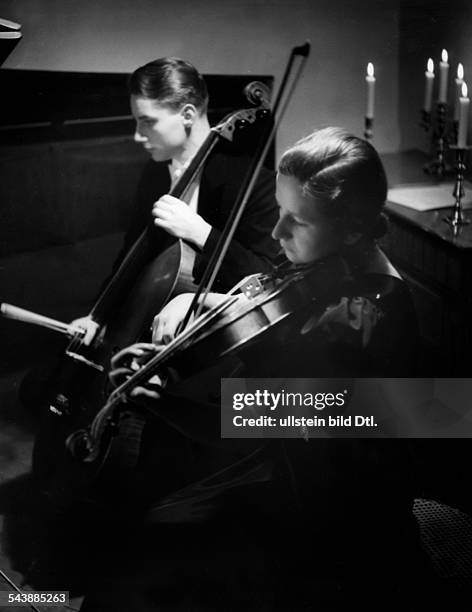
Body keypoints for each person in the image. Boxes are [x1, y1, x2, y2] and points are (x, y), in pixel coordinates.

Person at [75, 128, 437, 611]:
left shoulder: (364, 315)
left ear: (353, 229)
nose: (276, 233)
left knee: (144, 558)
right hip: (289, 467)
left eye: (297, 222)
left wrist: (172, 403)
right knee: (146, 532)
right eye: (280, 212)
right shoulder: (329, 269)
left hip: (333, 515)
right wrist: (205, 303)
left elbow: (266, 422)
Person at [74, 57, 279, 344]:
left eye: (147, 122)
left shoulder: (255, 181)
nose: (137, 135)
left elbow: (266, 277)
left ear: (187, 114)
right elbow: (132, 254)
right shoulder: (155, 174)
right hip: (147, 332)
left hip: (213, 341)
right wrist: (98, 316)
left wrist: (201, 233)